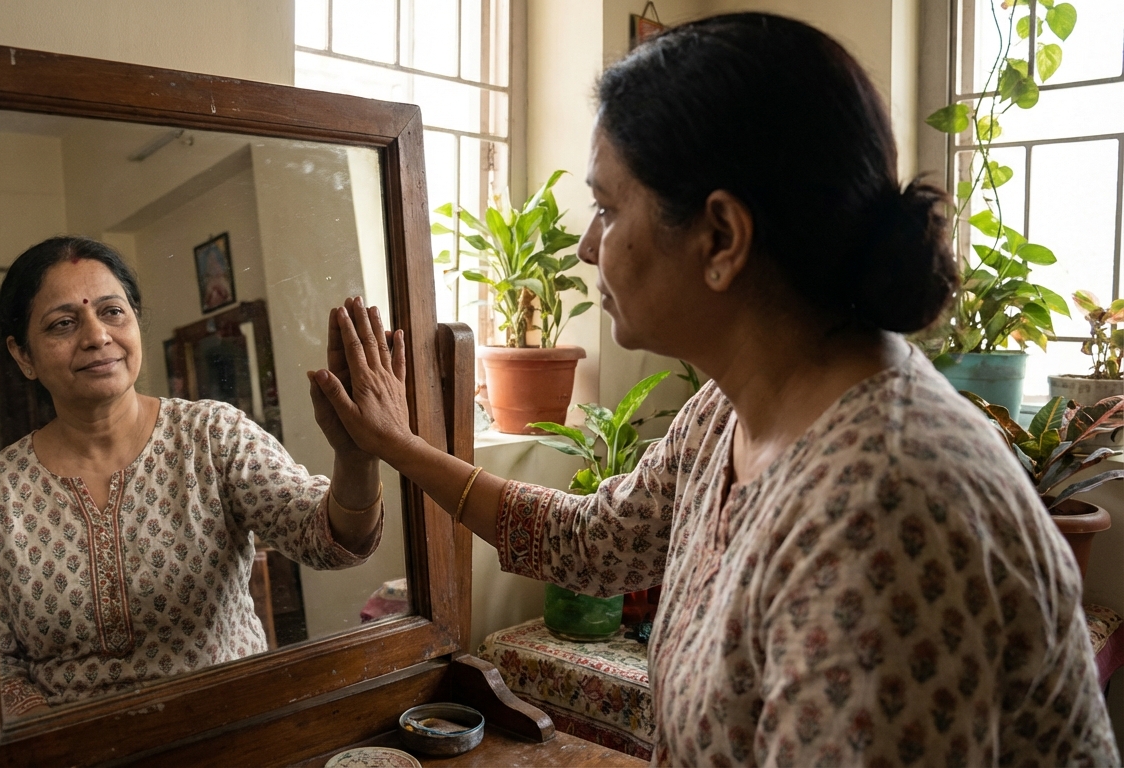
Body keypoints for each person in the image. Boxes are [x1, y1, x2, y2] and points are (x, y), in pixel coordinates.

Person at [310, 13, 1119, 766]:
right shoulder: (731, 408)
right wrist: (397, 447)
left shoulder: (882, 511)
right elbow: (591, 542)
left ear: (721, 237)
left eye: (605, 208)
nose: (590, 247)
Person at [0, 236, 383, 716]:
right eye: (63, 323)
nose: (96, 335)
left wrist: (357, 459)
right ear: (23, 355)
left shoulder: (212, 436)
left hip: (234, 732)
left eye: (112, 311)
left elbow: (326, 539)